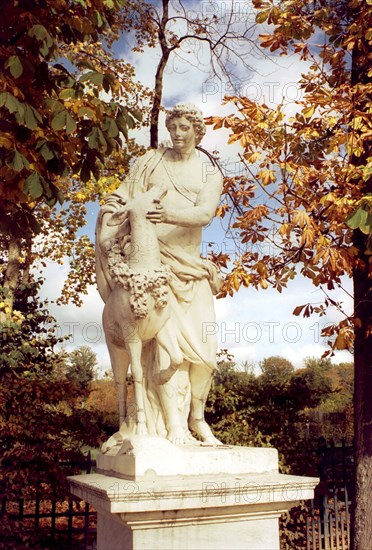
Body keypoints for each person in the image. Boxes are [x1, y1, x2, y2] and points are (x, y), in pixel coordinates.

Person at [96, 103, 223, 445]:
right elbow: (122, 194)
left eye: (185, 127)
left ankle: (196, 417)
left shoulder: (209, 174)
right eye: (174, 127)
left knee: (205, 353)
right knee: (165, 353)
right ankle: (173, 427)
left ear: (198, 130)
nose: (178, 134)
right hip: (152, 269)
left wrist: (166, 214)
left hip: (189, 267)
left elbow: (204, 213)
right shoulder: (149, 162)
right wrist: (111, 205)